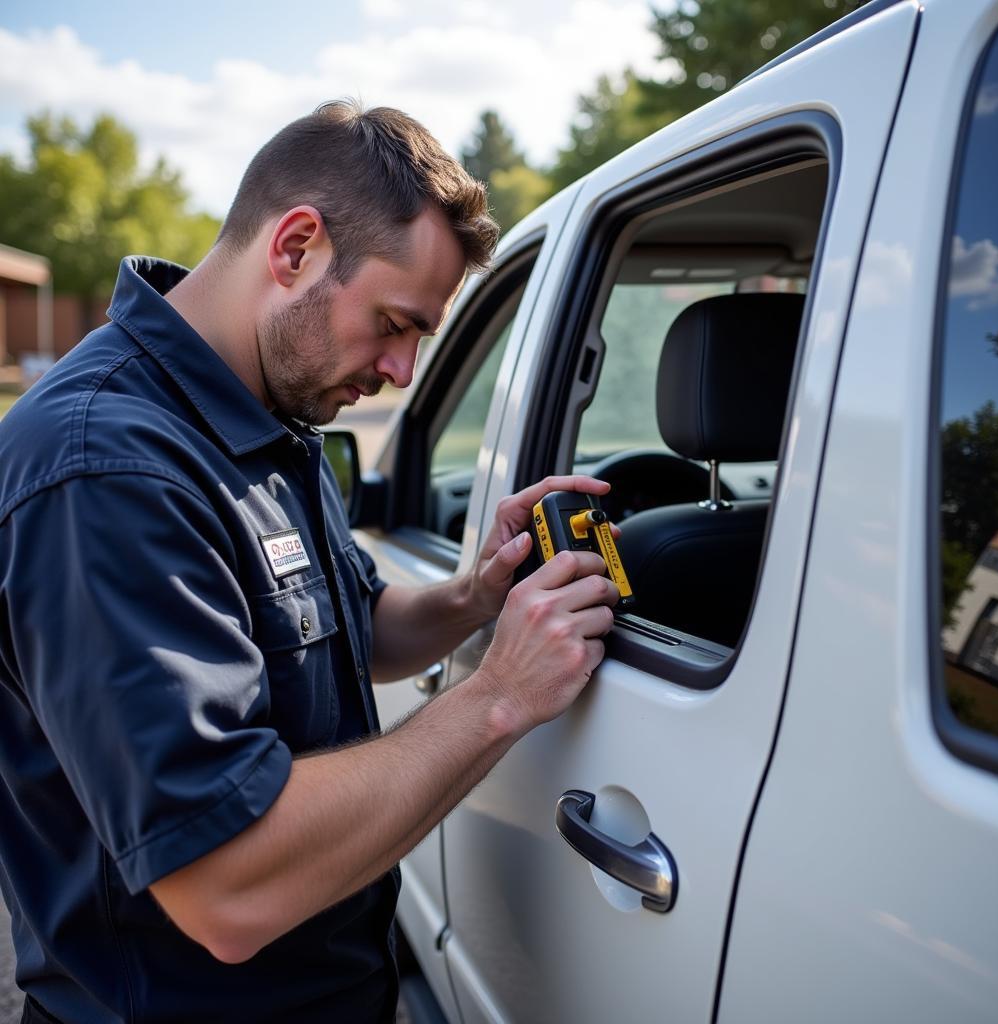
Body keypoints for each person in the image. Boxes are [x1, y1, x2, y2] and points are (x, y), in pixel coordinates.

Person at [0, 101, 619, 1023]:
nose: (403, 372)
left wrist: (472, 595)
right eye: (395, 323)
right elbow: (227, 885)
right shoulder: (105, 470)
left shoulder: (268, 412)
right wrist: (500, 696)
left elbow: (345, 633)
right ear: (295, 248)